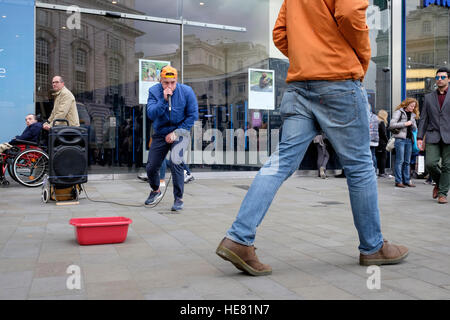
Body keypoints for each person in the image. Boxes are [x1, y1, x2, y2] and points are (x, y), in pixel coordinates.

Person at [215, 0, 408, 276]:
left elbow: (280, 33)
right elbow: (350, 12)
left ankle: (238, 238)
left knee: (280, 163)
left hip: (300, 86)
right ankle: (372, 247)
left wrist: (307, 56)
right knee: (360, 166)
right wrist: (360, 57)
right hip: (338, 80)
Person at [144, 66, 198, 211]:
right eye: (165, 83)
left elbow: (192, 115)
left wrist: (177, 133)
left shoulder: (187, 91)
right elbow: (151, 114)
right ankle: (155, 190)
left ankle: (178, 199)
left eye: (172, 83)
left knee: (176, 161)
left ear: (177, 81)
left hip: (180, 132)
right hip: (161, 133)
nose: (169, 86)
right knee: (151, 166)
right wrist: (163, 99)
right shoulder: (154, 91)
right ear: (160, 80)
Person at [417, 67, 450, 204]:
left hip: (449, 135)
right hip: (432, 135)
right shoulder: (429, 97)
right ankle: (438, 182)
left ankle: (443, 194)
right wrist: (419, 137)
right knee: (430, 164)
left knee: (447, 166)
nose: (440, 80)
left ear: (449, 79)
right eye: (437, 77)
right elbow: (424, 118)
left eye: (443, 77)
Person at [389, 98, 419, 188]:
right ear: (406, 104)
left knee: (407, 161)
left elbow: (415, 129)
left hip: (409, 140)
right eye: (411, 106)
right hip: (400, 139)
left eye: (414, 106)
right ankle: (398, 181)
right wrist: (405, 124)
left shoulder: (413, 115)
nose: (412, 108)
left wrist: (413, 124)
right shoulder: (399, 112)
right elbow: (392, 124)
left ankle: (407, 180)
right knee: (400, 161)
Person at [376, 109, 389, 177]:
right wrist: (387, 141)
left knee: (376, 157)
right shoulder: (381, 122)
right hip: (381, 142)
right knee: (383, 157)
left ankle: (377, 171)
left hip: (376, 142)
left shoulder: (376, 121)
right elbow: (383, 134)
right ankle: (382, 172)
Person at [369, 107, 379, 172]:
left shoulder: (367, 116)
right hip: (375, 139)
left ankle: (371, 171)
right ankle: (374, 171)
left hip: (368, 139)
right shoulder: (375, 116)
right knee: (373, 155)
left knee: (370, 155)